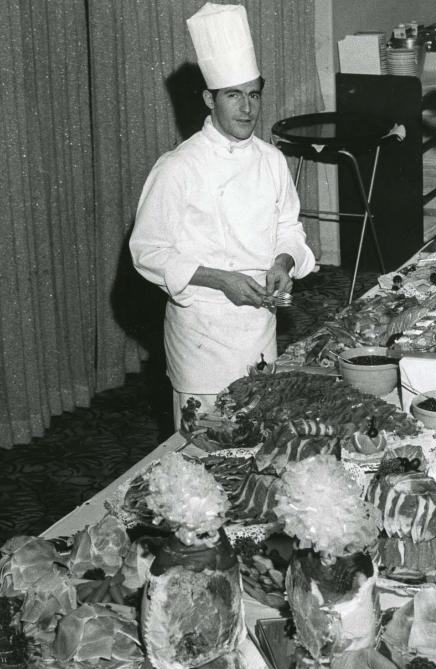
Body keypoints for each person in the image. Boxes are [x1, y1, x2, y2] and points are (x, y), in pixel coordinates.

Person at [130, 2, 315, 430]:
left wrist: (284, 263)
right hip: (202, 335)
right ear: (209, 99)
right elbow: (148, 252)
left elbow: (290, 228)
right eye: (234, 95)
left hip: (258, 328)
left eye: (254, 95)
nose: (247, 108)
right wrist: (220, 279)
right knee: (205, 453)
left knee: (259, 443)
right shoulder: (178, 166)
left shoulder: (271, 160)